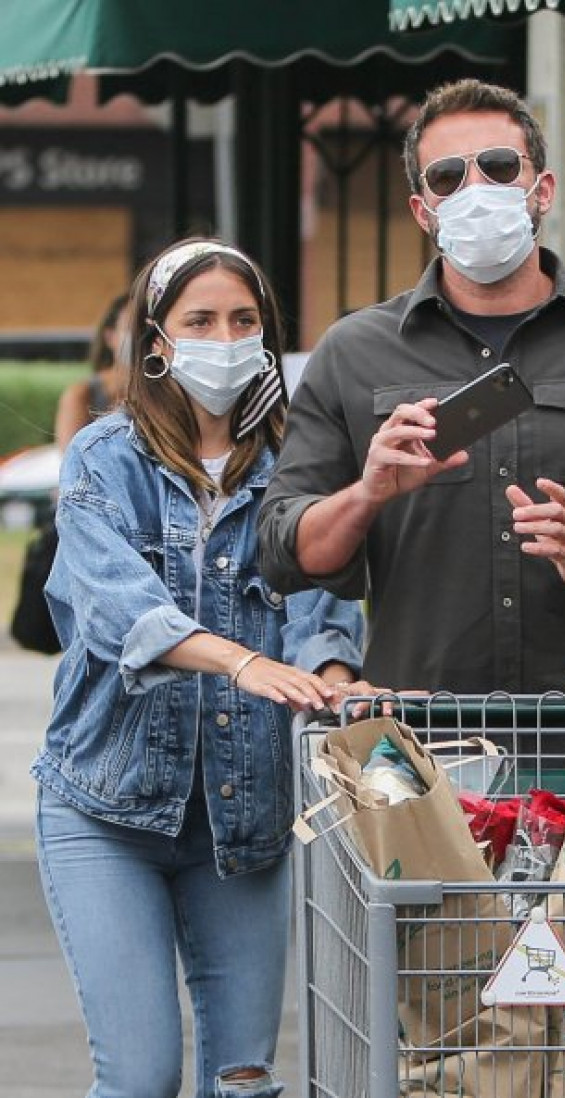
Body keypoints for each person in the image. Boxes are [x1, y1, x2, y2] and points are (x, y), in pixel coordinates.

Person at [259, 78, 565, 696]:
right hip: (420, 740)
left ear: (543, 190)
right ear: (421, 210)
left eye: (498, 166)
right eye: (447, 177)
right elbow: (283, 551)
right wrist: (368, 494)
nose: (475, 189)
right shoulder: (354, 352)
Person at [32, 238, 369, 1098]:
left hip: (246, 822)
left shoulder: (299, 471)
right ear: (158, 341)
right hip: (105, 808)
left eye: (244, 319)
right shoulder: (105, 458)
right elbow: (116, 610)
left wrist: (335, 677)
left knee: (245, 1079)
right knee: (142, 1076)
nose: (225, 336)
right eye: (201, 320)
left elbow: (320, 611)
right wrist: (241, 662)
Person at [54, 291, 131, 450]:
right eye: (131, 327)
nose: (140, 336)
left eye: (146, 327)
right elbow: (71, 461)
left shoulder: (166, 390)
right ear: (110, 337)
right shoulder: (81, 395)